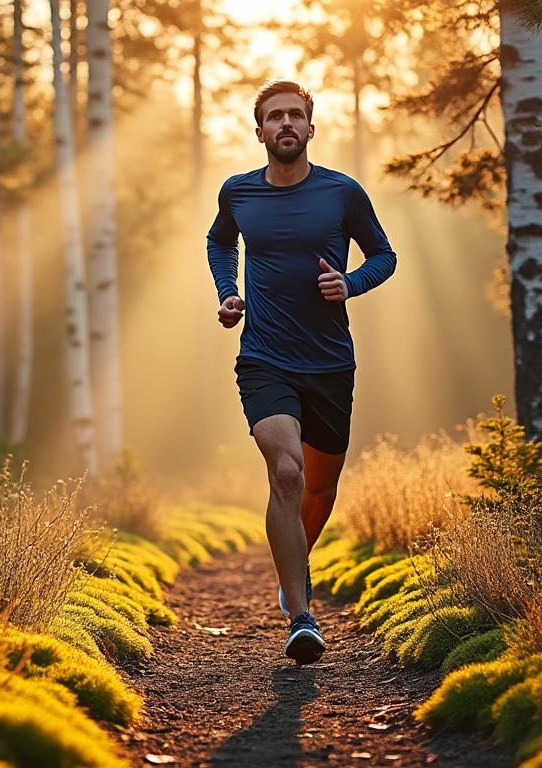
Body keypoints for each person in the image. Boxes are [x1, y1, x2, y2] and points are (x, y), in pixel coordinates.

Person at [206, 80, 398, 665]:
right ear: (259, 131)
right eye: (275, 116)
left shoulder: (342, 192)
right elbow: (219, 242)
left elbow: (384, 255)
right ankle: (301, 615)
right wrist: (228, 292)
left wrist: (350, 283)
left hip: (331, 362)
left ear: (310, 128)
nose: (285, 123)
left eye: (295, 115)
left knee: (319, 488)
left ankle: (294, 565)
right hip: (264, 358)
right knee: (287, 473)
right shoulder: (238, 192)